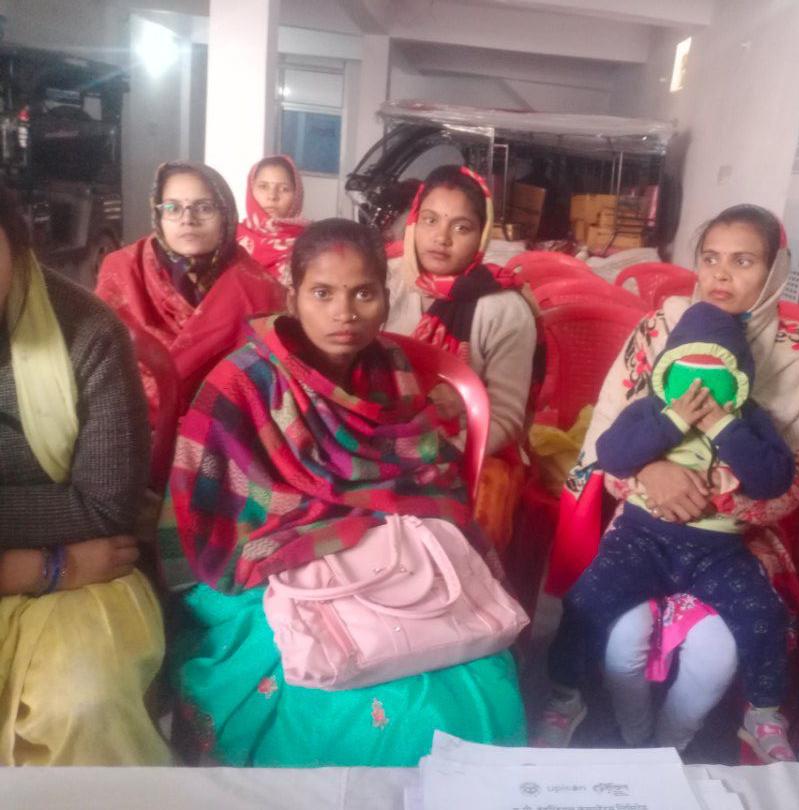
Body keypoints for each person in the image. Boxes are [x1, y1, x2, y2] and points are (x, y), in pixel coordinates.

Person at [159, 218, 525, 767]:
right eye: (323, 293)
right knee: (361, 705)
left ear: (386, 299)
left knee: (480, 673)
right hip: (278, 554)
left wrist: (379, 519)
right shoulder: (242, 381)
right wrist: (326, 528)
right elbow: (205, 503)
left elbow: (425, 474)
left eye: (363, 294)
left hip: (389, 547)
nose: (345, 313)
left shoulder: (391, 368)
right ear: (293, 299)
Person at [540, 205, 799, 757]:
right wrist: (652, 472)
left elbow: (797, 474)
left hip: (736, 536)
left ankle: (675, 744)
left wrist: (713, 495)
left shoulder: (791, 349)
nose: (721, 275)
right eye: (710, 258)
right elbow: (607, 442)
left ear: (776, 271)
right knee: (614, 633)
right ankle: (627, 733)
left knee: (724, 648)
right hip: (642, 520)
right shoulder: (658, 330)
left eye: (743, 261)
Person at [0, 190, 170, 765]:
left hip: (88, 583)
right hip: (72, 562)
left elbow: (104, 507)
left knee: (85, 703)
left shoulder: (87, 331)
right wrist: (46, 565)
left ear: (17, 243)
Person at [385, 164, 539, 553]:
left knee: (471, 516)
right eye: (430, 220)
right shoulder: (384, 282)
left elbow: (505, 417)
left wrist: (436, 452)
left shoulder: (504, 309)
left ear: (482, 235)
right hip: (381, 433)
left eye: (461, 227)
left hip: (472, 445)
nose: (441, 237)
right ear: (413, 222)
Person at [96, 161, 287, 415]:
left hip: (228, 430)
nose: (187, 219)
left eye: (204, 207)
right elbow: (100, 367)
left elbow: (271, 385)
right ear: (158, 214)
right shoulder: (123, 271)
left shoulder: (259, 290)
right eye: (173, 208)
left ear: (226, 214)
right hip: (127, 424)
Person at [236, 154, 308, 288]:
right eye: (263, 187)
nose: (272, 196)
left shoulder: (311, 244)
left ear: (297, 195)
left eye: (284, 189)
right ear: (251, 189)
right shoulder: (231, 239)